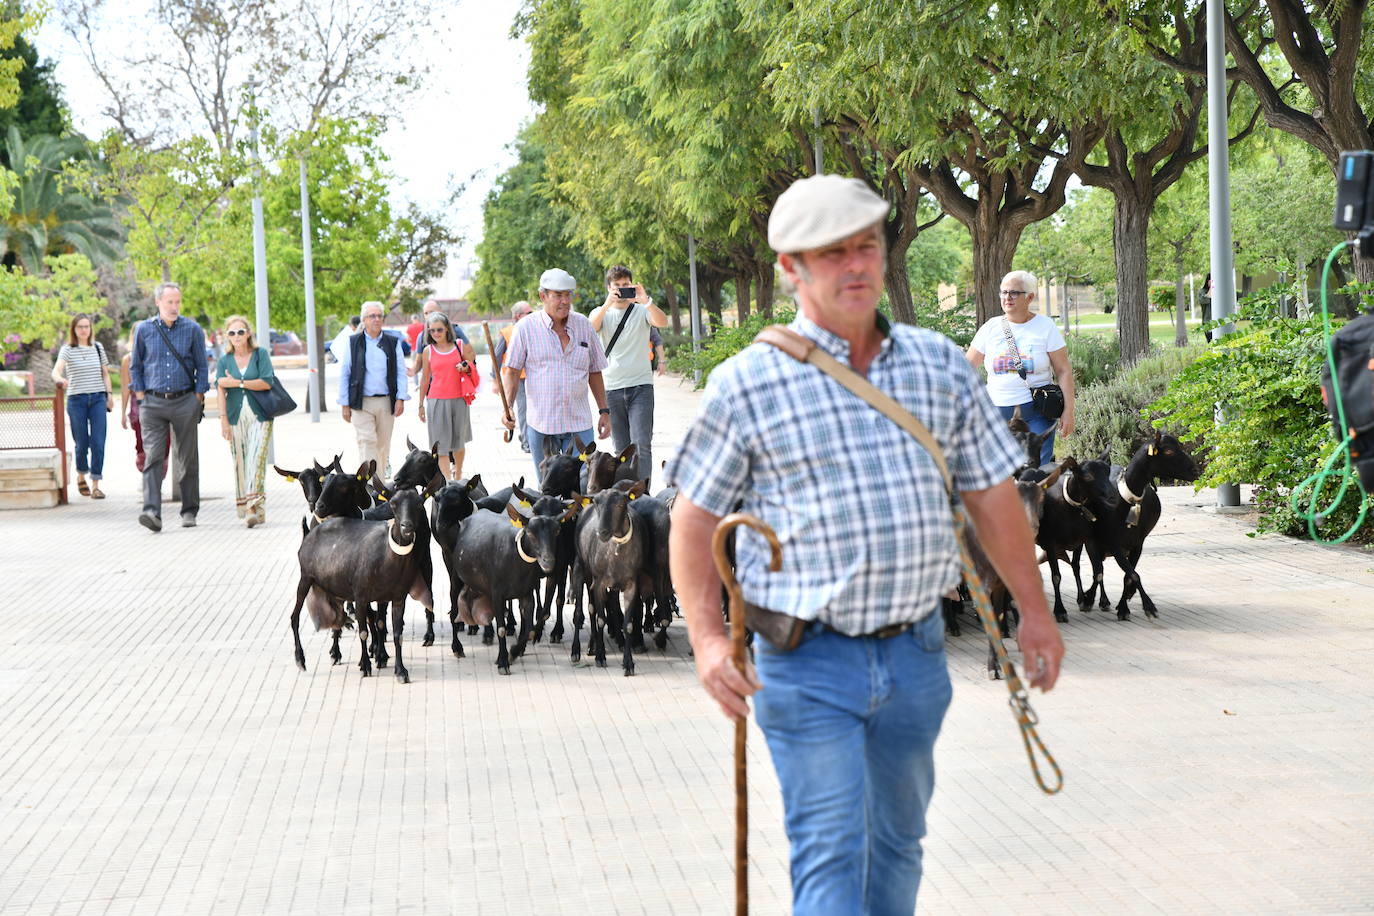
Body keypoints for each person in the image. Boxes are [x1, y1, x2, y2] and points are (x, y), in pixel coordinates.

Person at [666, 174, 1063, 916]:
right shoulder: (746, 383)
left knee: (899, 848)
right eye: (831, 254)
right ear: (791, 269)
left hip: (916, 658)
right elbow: (692, 522)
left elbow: (993, 497)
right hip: (805, 663)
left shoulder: (939, 366)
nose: (856, 266)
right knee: (830, 851)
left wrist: (1033, 615)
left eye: (867, 247)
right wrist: (710, 642)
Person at [500, 268, 611, 477]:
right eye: (558, 295)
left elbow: (594, 371)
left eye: (568, 295)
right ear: (543, 296)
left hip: (579, 424)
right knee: (548, 490)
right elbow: (512, 372)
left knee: (582, 485)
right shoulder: (525, 328)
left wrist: (604, 411)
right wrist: (508, 408)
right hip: (542, 425)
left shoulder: (583, 326)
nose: (565, 301)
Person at [966, 270, 1075, 467]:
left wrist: (1069, 411)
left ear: (1030, 297)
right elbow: (966, 369)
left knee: (1036, 472)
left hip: (1036, 412)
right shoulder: (990, 328)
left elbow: (1063, 371)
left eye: (1014, 293)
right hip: (995, 413)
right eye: (1003, 292)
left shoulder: (1045, 327)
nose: (1007, 297)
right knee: (998, 472)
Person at [129, 282, 209, 531]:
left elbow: (202, 366)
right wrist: (141, 397)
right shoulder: (144, 329)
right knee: (153, 457)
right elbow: (135, 366)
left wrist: (197, 396)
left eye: (177, 302)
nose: (174, 307)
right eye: (169, 302)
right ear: (158, 303)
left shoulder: (193, 329)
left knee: (187, 459)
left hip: (185, 400)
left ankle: (189, 511)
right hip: (152, 403)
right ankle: (152, 512)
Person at [589, 265, 668, 486]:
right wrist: (607, 303)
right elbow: (590, 328)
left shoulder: (642, 310)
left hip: (641, 387)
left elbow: (663, 322)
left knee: (642, 444)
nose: (622, 290)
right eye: (617, 286)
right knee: (621, 449)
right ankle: (625, 492)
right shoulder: (600, 312)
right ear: (609, 287)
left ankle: (643, 493)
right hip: (612, 389)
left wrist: (646, 300)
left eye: (626, 285)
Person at [337, 300, 409, 477]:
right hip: (361, 402)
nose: (376, 319)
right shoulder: (353, 342)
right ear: (364, 320)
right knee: (367, 441)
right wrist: (344, 404)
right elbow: (345, 373)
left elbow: (401, 371)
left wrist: (400, 398)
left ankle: (380, 485)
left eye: (379, 316)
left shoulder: (392, 342)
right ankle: (369, 485)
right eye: (372, 316)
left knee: (383, 446)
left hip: (386, 401)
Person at [215, 315, 275, 527]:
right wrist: (223, 420)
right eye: (232, 333)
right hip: (234, 417)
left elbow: (266, 382)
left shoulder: (260, 355)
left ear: (248, 333)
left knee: (256, 460)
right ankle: (254, 509)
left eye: (241, 331)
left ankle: (252, 507)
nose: (237, 336)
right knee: (240, 462)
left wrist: (238, 382)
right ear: (227, 336)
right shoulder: (225, 360)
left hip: (260, 416)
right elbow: (221, 387)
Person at [51, 314, 112, 499]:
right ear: (74, 329)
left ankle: (95, 484)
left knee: (98, 442)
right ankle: (80, 474)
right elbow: (56, 370)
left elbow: (105, 374)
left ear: (91, 328)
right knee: (82, 443)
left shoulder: (98, 348)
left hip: (98, 400)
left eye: (86, 326)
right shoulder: (67, 349)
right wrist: (60, 379)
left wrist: (109, 395)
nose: (84, 330)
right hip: (77, 401)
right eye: (80, 327)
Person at [417, 311, 479, 479]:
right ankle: (447, 479)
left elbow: (471, 364)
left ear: (447, 329)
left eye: (439, 329)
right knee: (440, 444)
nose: (436, 333)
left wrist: (466, 367)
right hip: (436, 400)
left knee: (459, 442)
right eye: (432, 330)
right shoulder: (427, 351)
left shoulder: (459, 345)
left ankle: (458, 473)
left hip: (459, 399)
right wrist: (421, 404)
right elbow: (424, 379)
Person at [492, 300, 533, 451]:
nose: (532, 316)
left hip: (534, 376)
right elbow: (496, 357)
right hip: (517, 378)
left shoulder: (533, 329)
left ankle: (526, 437)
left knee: (533, 410)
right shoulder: (507, 332)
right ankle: (527, 442)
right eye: (529, 313)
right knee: (524, 410)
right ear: (517, 316)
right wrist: (495, 380)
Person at [410, 298, 474, 388]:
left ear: (441, 312)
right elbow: (418, 362)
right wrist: (411, 371)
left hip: (457, 387)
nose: (428, 315)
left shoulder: (455, 331)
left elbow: (470, 353)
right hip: (434, 389)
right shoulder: (422, 336)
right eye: (426, 313)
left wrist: (466, 367)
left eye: (431, 312)